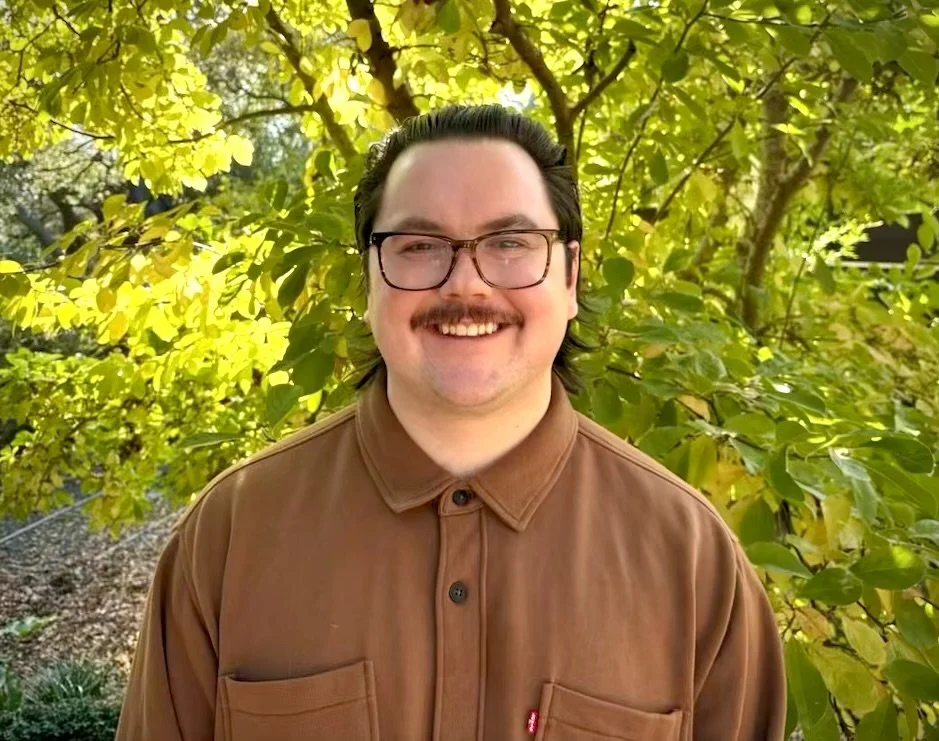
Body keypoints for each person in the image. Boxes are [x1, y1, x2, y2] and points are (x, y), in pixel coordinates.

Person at [115, 104, 786, 740]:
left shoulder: (692, 559)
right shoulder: (233, 532)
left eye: (511, 242)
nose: (465, 284)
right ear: (368, 278)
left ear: (571, 274)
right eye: (417, 245)